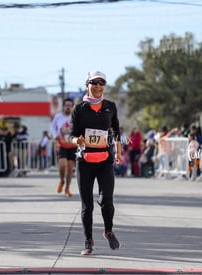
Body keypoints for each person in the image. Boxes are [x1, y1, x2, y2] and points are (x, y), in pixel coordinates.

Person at [69, 70, 122, 255]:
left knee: (107, 199)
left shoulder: (110, 106)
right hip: (84, 161)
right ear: (87, 85)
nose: (98, 86)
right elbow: (71, 134)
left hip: (105, 160)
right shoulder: (79, 108)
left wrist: (119, 152)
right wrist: (77, 140)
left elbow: (116, 131)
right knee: (87, 205)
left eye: (102, 82)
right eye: (94, 82)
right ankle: (88, 241)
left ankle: (109, 231)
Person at [50, 98, 76, 197]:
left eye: (70, 105)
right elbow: (52, 126)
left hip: (72, 144)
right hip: (62, 144)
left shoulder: (75, 117)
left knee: (70, 168)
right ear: (63, 106)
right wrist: (55, 135)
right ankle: (61, 181)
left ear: (72, 107)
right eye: (66, 105)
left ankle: (67, 188)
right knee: (62, 165)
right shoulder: (58, 116)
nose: (68, 107)